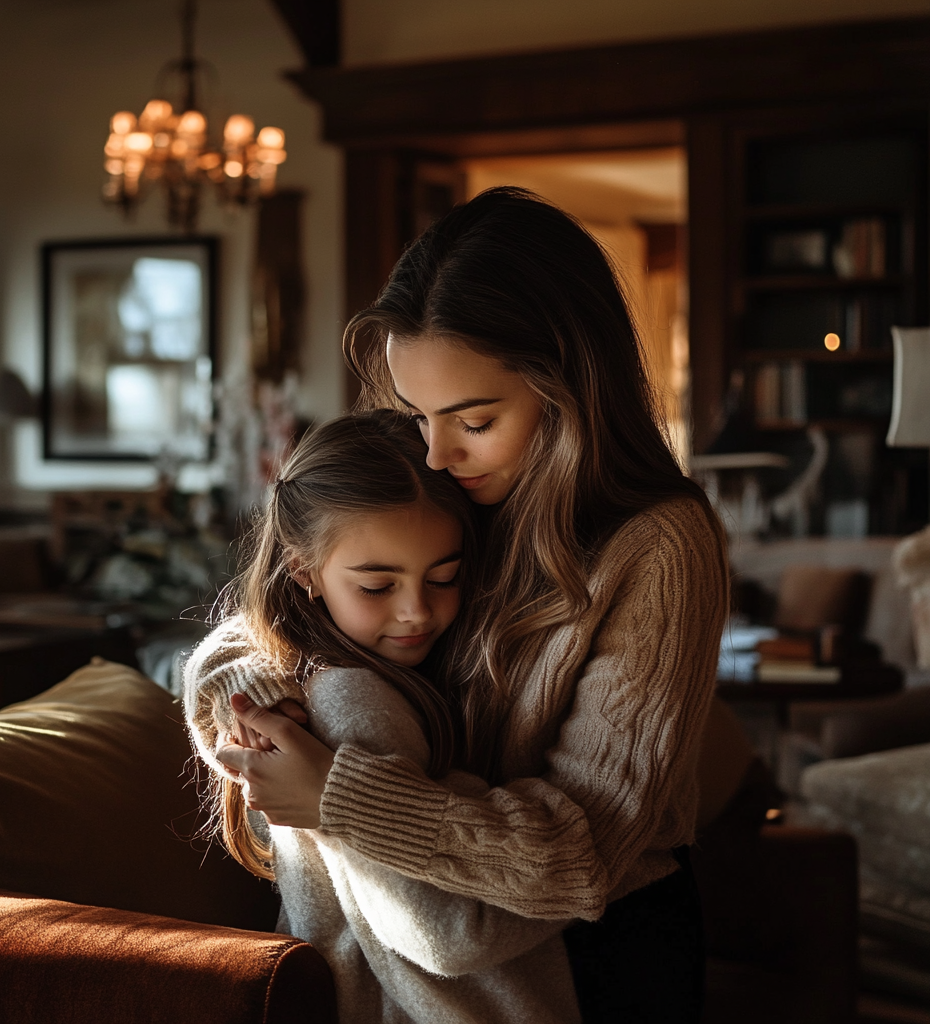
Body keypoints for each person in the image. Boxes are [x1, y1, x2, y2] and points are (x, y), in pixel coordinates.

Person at [193, 187, 730, 1023]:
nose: (436, 453)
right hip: (424, 932)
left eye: (474, 419)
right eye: (417, 415)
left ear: (568, 389)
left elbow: (583, 854)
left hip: (601, 950)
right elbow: (277, 603)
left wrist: (337, 795)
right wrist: (252, 697)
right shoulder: (452, 485)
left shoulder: (660, 546)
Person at [184, 409, 582, 1024]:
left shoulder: (320, 664)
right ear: (304, 572)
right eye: (377, 587)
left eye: (445, 576)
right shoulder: (352, 703)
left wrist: (240, 682)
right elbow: (451, 931)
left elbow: (234, 644)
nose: (417, 612)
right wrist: (596, 855)